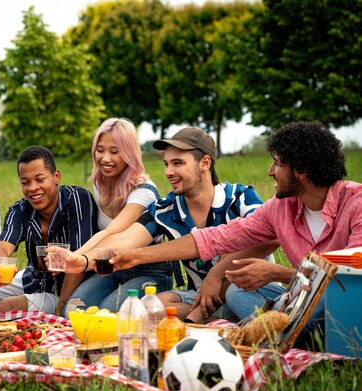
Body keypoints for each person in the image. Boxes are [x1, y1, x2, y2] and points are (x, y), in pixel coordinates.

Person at [108, 121, 362, 345]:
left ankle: (270, 333)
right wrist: (137, 256)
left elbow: (350, 284)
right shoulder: (281, 208)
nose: (270, 172)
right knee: (238, 291)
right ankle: (268, 331)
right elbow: (217, 237)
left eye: (278, 164)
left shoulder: (356, 203)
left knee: (319, 309)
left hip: (348, 308)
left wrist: (278, 273)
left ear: (301, 171)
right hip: (305, 298)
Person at [52, 127, 274, 322]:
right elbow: (124, 239)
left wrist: (217, 273)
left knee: (236, 293)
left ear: (205, 163)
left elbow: (270, 236)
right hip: (197, 295)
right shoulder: (166, 209)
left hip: (247, 287)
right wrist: (82, 260)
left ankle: (212, 317)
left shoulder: (241, 197)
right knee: (149, 308)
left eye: (178, 163)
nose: (168, 172)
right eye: (166, 164)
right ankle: (212, 318)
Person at [64, 118, 172, 314]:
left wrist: (76, 257)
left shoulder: (144, 192)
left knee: (108, 313)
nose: (105, 158)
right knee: (73, 310)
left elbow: (112, 233)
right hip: (110, 269)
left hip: (149, 272)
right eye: (100, 150)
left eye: (115, 152)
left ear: (129, 153)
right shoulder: (101, 184)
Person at [0, 145, 98, 315]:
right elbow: (3, 246)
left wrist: (61, 305)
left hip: (72, 286)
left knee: (5, 307)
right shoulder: (20, 210)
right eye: (25, 182)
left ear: (56, 177)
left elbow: (78, 259)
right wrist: (0, 265)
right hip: (35, 279)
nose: (32, 188)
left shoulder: (77, 199)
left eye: (40, 179)